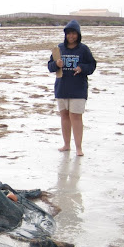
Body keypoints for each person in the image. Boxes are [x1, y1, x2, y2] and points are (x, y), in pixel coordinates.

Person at [47, 20, 97, 156]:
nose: (71, 36)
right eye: (69, 33)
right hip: (62, 87)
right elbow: (50, 66)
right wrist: (56, 64)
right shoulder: (59, 48)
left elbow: (92, 66)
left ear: (78, 34)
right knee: (64, 116)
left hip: (78, 88)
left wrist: (82, 68)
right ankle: (66, 145)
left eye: (74, 33)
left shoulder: (83, 49)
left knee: (76, 116)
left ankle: (78, 147)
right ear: (65, 35)